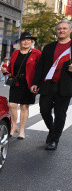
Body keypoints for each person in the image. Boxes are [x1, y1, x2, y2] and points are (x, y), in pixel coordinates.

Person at [31, 20, 72, 150]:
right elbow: (40, 67)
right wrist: (35, 83)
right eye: (59, 28)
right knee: (44, 110)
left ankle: (54, 139)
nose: (62, 30)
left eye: (64, 28)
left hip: (65, 86)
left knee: (60, 114)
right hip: (48, 84)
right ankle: (52, 129)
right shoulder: (48, 47)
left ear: (70, 30)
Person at [3, 32, 41, 140]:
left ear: (31, 42)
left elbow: (40, 69)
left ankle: (22, 130)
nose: (26, 41)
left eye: (28, 40)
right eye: (24, 40)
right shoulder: (15, 53)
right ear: (20, 42)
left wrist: (37, 83)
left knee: (24, 106)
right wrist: (5, 71)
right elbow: (10, 68)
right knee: (12, 105)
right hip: (16, 82)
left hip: (28, 84)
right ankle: (14, 125)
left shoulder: (36, 53)